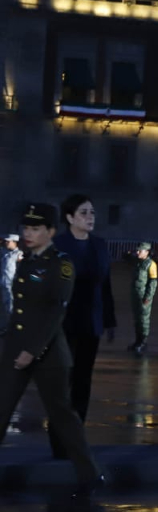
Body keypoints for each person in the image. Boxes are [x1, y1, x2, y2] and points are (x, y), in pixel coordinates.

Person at [0, 204, 104, 496]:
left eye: (35, 229)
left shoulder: (61, 263)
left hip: (48, 355)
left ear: (51, 232)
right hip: (16, 349)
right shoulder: (26, 261)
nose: (27, 233)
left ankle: (91, 474)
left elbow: (54, 312)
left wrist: (32, 350)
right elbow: (20, 309)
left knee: (62, 416)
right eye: (26, 228)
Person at [49, 194, 116, 461]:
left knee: (83, 382)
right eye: (84, 213)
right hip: (62, 323)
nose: (90, 217)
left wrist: (109, 320)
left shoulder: (99, 245)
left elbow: (106, 285)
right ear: (69, 218)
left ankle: (76, 439)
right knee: (62, 383)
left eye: (92, 213)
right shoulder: (57, 245)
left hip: (91, 322)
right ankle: (58, 442)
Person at [128, 241, 158, 356]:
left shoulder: (151, 264)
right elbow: (126, 257)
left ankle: (143, 342)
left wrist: (148, 297)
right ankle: (137, 340)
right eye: (137, 250)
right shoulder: (137, 262)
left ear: (147, 252)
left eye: (140, 250)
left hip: (144, 296)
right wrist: (129, 253)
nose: (138, 252)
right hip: (135, 294)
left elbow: (153, 283)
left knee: (143, 320)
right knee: (137, 319)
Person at [1, 233, 21, 334]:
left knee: (11, 307)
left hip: (12, 284)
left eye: (8, 242)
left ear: (14, 242)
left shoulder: (19, 254)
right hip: (4, 284)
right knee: (6, 306)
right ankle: (9, 327)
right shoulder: (6, 253)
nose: (6, 243)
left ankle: (14, 330)